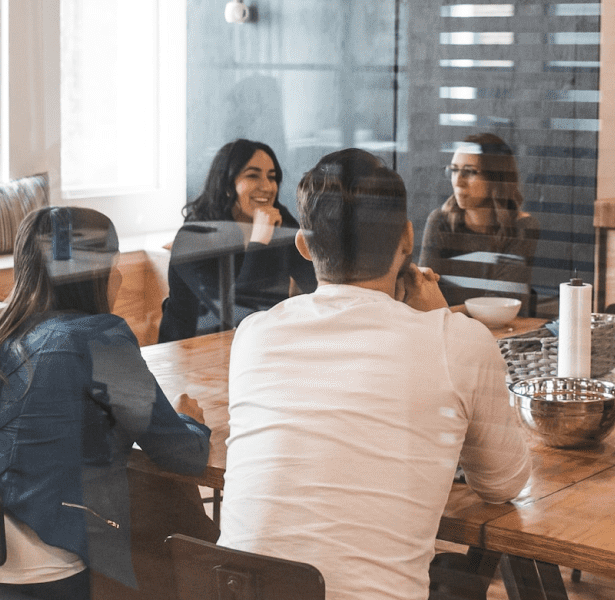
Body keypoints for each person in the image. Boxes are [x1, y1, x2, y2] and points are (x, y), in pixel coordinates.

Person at [218, 148, 532, 600]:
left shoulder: (254, 334)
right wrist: (444, 320)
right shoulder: (457, 341)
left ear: (303, 244)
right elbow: (503, 484)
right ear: (407, 239)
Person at [0, 206, 212, 600]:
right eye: (113, 265)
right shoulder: (97, 338)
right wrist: (191, 420)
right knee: (169, 523)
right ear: (95, 273)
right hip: (37, 574)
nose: (117, 276)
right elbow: (182, 454)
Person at [158, 139, 318, 342]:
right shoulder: (193, 238)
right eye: (252, 176)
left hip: (258, 345)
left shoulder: (280, 221)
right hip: (190, 354)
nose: (267, 187)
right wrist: (260, 241)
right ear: (226, 186)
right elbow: (237, 315)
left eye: (272, 177)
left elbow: (318, 284)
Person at [421, 132, 542, 307]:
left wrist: (444, 313)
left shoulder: (523, 227)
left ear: (495, 179)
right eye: (454, 170)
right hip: (447, 328)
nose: (458, 181)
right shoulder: (440, 221)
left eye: (469, 172)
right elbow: (423, 291)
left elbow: (501, 302)